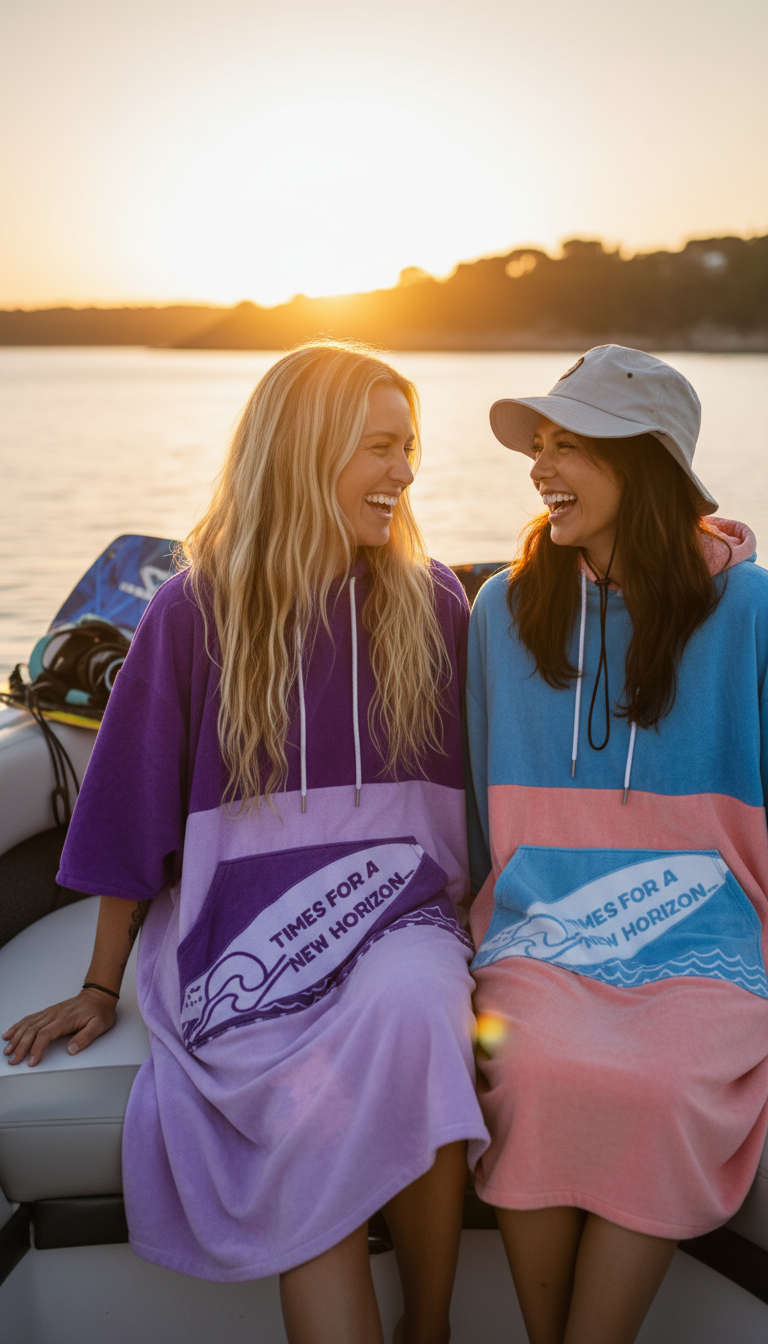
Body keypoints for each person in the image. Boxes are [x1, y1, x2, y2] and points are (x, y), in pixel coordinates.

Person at [3, 340, 489, 1344]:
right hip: (244, 930)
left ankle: (431, 1326)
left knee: (422, 1008)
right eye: (381, 446)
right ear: (305, 450)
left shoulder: (434, 600)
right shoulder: (192, 609)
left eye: (411, 448)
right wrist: (100, 985)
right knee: (301, 1108)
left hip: (402, 917)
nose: (404, 471)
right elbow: (131, 814)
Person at [465, 345, 768, 1344]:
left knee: (665, 1087)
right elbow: (479, 806)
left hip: (710, 933)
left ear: (645, 462)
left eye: (569, 446)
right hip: (541, 924)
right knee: (532, 1074)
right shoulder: (505, 610)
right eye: (538, 446)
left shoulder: (751, 610)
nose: (540, 467)